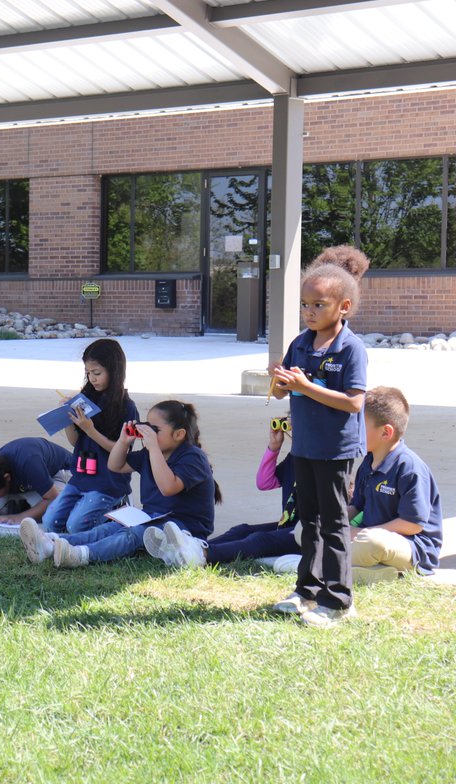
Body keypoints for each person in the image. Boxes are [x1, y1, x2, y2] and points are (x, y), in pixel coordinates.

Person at [270, 245, 370, 628]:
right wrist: (279, 383)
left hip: (334, 450)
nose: (309, 313)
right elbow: (287, 393)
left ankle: (338, 599)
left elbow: (353, 402)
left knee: (333, 524)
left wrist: (306, 385)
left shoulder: (351, 349)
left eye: (319, 305)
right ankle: (306, 591)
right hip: (305, 446)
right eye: (305, 305)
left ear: (343, 307)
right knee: (307, 521)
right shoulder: (300, 343)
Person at [20, 400, 220, 568]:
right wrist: (124, 441)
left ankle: (81, 555)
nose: (147, 433)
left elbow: (168, 487)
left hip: (183, 530)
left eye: (155, 430)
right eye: (146, 425)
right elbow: (115, 465)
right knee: (107, 529)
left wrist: (153, 448)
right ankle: (50, 543)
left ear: (179, 434)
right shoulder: (149, 454)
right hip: (151, 517)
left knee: (133, 535)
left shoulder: (193, 458)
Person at [147, 416, 298, 569]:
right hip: (289, 526)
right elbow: (265, 482)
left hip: (309, 534)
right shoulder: (296, 458)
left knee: (260, 540)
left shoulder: (319, 463)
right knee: (241, 530)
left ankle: (202, 555)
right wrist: (274, 448)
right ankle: (189, 549)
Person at [40, 338, 138, 534]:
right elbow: (75, 442)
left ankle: (120, 512)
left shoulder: (127, 408)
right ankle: (93, 510)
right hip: (80, 478)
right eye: (88, 373)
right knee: (50, 523)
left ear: (115, 371)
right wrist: (68, 420)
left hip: (108, 483)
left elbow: (122, 452)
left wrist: (90, 430)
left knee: (76, 526)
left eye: (97, 373)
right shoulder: (86, 400)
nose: (92, 379)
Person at [348, 386, 444, 581]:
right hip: (367, 535)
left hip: (411, 546)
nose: (353, 429)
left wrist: (360, 532)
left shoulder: (410, 468)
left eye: (360, 424)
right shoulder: (367, 462)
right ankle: (374, 571)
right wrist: (333, 522)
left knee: (372, 543)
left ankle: (335, 563)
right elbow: (357, 506)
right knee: (307, 529)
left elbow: (412, 524)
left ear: (386, 433)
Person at [0, 438, 73, 524]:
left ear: (7, 478)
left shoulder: (29, 462)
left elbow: (53, 498)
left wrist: (20, 517)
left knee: (53, 511)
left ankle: (27, 508)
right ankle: (27, 506)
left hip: (60, 473)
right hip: (29, 485)